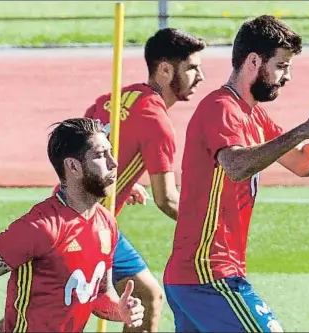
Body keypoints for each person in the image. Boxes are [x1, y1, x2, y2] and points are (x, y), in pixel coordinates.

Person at [163, 15, 309, 333]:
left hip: (198, 276)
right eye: (282, 66)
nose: (288, 77)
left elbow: (302, 163)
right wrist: (303, 130)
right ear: (254, 61)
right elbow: (236, 165)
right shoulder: (221, 109)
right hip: (207, 273)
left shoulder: (252, 116)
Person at [50, 27, 206, 333]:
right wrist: (208, 229)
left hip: (86, 217)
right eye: (192, 68)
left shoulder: (113, 97)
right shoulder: (157, 122)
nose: (200, 76)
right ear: (164, 69)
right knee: (61, 318)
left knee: (146, 298)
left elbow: (82, 148)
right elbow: (167, 199)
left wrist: (121, 181)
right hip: (77, 228)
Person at [0, 118, 145, 333]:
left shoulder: (106, 223)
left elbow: (98, 295)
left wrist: (121, 311)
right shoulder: (42, 227)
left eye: (110, 153)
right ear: (73, 166)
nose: (114, 163)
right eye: (101, 155)